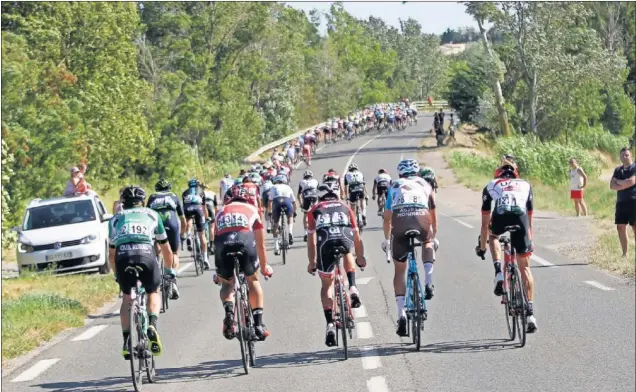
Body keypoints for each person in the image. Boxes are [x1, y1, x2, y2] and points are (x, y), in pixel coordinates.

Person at [109, 185, 173, 359]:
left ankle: (127, 340)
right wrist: (169, 270)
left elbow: (111, 255)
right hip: (146, 254)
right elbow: (166, 249)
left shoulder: (116, 218)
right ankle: (152, 324)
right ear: (142, 201)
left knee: (127, 298)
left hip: (123, 257)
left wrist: (117, 275)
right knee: (153, 291)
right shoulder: (152, 214)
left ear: (123, 202)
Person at [475, 163, 537, 333]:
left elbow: (484, 224)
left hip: (501, 217)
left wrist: (482, 247)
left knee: (493, 235)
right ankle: (530, 313)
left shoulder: (491, 185)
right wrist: (529, 240)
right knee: (525, 267)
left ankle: (499, 272)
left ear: (497, 176)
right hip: (521, 220)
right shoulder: (525, 184)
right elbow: (529, 216)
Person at [306, 182, 366, 347]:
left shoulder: (314, 210)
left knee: (327, 285)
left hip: (325, 244)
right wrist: (360, 257)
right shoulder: (345, 206)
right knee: (348, 251)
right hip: (344, 240)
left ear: (320, 196)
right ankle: (353, 287)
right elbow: (356, 236)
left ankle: (330, 324)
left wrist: (312, 262)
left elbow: (311, 242)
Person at [382, 159, 438, 337]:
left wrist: (386, 239)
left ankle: (401, 314)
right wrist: (433, 235)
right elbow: (433, 213)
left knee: (400, 270)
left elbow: (387, 218)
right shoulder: (425, 184)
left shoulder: (394, 185)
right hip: (421, 219)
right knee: (427, 242)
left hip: (400, 222)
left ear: (400, 173)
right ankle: (428, 281)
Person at [214, 184, 274, 341]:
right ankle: (259, 324)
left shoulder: (220, 211)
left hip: (223, 245)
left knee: (227, 284)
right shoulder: (252, 209)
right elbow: (260, 244)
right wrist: (264, 266)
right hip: (244, 242)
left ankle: (229, 313)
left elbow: (215, 239)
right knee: (253, 280)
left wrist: (218, 273)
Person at [147, 179, 187, 299]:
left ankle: (156, 263)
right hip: (172, 224)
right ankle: (172, 280)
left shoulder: (152, 197)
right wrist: (183, 234)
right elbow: (183, 219)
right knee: (174, 252)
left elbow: (146, 214)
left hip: (156, 224)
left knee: (158, 247)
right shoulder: (173, 196)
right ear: (169, 188)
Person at [609, 147, 636, 258]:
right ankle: (625, 253)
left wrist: (619, 182)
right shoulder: (617, 170)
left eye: (627, 155)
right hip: (621, 202)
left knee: (635, 227)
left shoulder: (634, 167)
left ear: (631, 156)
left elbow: (631, 182)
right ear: (620, 157)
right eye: (622, 155)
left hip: (633, 201)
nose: (624, 157)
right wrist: (623, 183)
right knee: (620, 227)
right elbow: (611, 185)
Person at [182, 178, 210, 269]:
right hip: (198, 209)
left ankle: (189, 235)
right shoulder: (201, 191)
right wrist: (206, 217)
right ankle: (205, 258)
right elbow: (204, 207)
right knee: (202, 235)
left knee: (189, 219)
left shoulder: (185, 193)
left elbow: (184, 206)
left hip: (188, 209)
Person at [268, 174, 297, 255]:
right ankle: (290, 232)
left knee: (275, 224)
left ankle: (276, 247)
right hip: (287, 201)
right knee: (290, 217)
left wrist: (270, 212)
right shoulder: (288, 187)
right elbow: (294, 203)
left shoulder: (274, 187)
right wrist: (294, 213)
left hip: (277, 202)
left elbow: (270, 201)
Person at [297, 170, 319, 242]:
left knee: (305, 215)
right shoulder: (315, 181)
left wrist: (301, 204)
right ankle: (318, 229)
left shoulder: (302, 182)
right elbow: (319, 192)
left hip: (306, 197)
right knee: (317, 214)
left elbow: (299, 195)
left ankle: (306, 233)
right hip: (314, 196)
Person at [202, 183, 219, 255]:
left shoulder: (201, 193)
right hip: (211, 206)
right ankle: (212, 245)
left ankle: (205, 243)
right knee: (212, 227)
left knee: (204, 226)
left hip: (204, 207)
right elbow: (216, 206)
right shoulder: (213, 193)